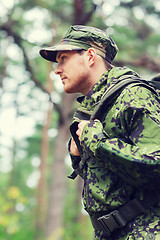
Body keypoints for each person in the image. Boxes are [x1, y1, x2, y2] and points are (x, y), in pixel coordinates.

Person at [39, 25, 160, 240]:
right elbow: (115, 184)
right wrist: (79, 158)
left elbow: (156, 165)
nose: (57, 69)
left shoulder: (134, 95)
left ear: (90, 56)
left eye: (63, 59)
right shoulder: (96, 109)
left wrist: (95, 141)